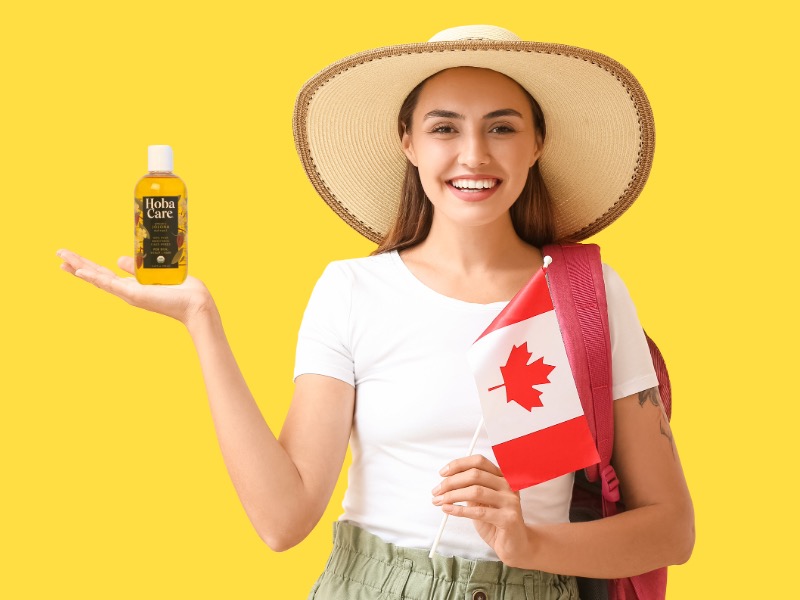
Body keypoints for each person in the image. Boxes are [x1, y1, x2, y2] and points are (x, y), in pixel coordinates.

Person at [58, 25, 693, 600]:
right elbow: (283, 521)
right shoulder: (352, 290)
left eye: (502, 127)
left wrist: (529, 543)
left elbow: (670, 529)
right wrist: (201, 319)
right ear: (409, 142)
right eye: (444, 127)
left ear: (536, 144)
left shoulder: (585, 293)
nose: (474, 154)